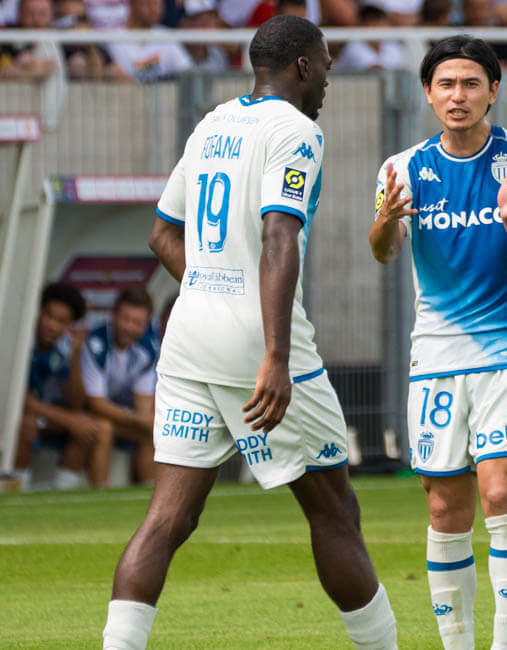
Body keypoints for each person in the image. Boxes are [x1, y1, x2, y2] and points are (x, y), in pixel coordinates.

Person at [102, 16, 397, 650]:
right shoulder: (296, 130)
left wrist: (209, 284)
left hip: (188, 335)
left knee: (168, 518)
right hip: (255, 338)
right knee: (335, 512)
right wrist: (275, 356)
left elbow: (161, 233)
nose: (328, 79)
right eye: (326, 65)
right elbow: (278, 237)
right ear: (302, 66)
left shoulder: (211, 124)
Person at [370, 35, 507, 650]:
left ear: (493, 91)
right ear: (428, 93)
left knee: (500, 492)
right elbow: (385, 252)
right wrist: (384, 220)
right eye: (447, 84)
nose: (459, 95)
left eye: (471, 83)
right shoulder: (401, 168)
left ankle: (506, 645)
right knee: (444, 510)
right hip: (436, 354)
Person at [14, 283, 114, 490]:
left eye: (61, 321)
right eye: (49, 316)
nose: (52, 326)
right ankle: (16, 490)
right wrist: (68, 420)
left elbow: (76, 403)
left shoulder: (64, 347)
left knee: (89, 427)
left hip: (43, 416)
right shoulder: (22, 339)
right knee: (28, 424)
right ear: (38, 312)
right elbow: (17, 398)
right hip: (13, 414)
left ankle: (62, 492)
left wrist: (75, 358)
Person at [80, 286, 158, 485]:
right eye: (125, 319)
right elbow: (96, 404)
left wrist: (146, 422)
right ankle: (99, 494)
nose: (129, 327)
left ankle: (148, 494)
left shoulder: (147, 349)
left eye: (137, 323)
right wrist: (139, 419)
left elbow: (143, 403)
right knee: (104, 429)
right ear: (113, 315)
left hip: (119, 415)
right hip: (81, 411)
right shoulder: (95, 342)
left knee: (151, 433)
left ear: (147, 324)